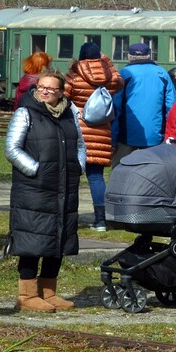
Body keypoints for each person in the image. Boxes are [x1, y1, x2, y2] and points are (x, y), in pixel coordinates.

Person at [5, 68, 87, 313]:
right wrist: (36, 170)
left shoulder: (69, 113)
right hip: (34, 189)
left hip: (64, 187)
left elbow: (80, 144)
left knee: (58, 239)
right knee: (33, 240)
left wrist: (78, 167)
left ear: (61, 91)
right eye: (42, 87)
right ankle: (27, 295)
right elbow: (12, 148)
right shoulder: (25, 113)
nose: (45, 92)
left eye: (51, 89)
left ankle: (48, 291)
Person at [65, 41, 124, 232]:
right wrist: (106, 61)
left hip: (78, 130)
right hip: (101, 132)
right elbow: (120, 81)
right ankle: (101, 220)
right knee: (96, 177)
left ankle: (69, 218)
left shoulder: (74, 75)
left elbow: (64, 96)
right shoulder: (109, 76)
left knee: (70, 176)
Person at [113, 42, 176, 159]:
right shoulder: (162, 73)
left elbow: (116, 108)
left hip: (126, 135)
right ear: (149, 55)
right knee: (151, 172)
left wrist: (113, 137)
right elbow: (171, 107)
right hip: (154, 135)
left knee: (121, 170)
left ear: (129, 56)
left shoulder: (123, 74)